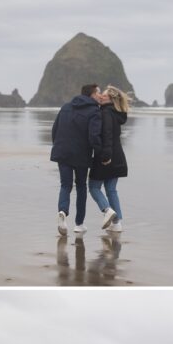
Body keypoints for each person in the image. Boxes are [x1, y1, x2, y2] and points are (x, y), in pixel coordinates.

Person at [50, 84, 103, 237]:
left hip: (63, 153)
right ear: (92, 94)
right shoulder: (94, 111)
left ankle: (62, 212)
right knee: (81, 186)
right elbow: (94, 137)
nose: (100, 95)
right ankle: (79, 224)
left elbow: (55, 129)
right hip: (81, 155)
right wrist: (100, 155)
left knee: (65, 185)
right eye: (98, 92)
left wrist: (59, 146)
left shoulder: (66, 106)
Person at [88, 85, 130, 233]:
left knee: (93, 187)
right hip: (118, 156)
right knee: (111, 189)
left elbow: (107, 135)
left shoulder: (105, 112)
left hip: (107, 156)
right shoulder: (117, 113)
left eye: (104, 96)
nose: (101, 97)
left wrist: (105, 156)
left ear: (110, 99)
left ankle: (108, 211)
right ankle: (117, 224)